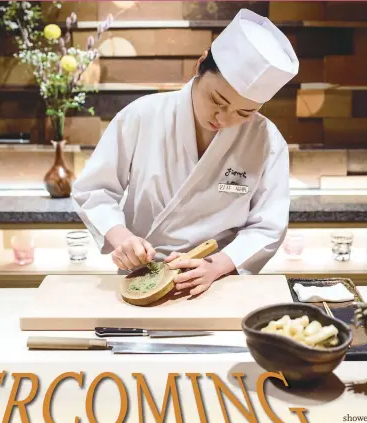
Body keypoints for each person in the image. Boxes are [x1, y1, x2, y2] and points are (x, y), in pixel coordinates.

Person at [71, 9, 299, 296]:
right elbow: (94, 191)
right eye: (217, 100)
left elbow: (268, 225)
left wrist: (217, 265)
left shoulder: (267, 140)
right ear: (201, 63)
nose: (223, 118)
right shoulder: (142, 116)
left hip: (217, 280)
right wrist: (122, 239)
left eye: (244, 112)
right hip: (141, 275)